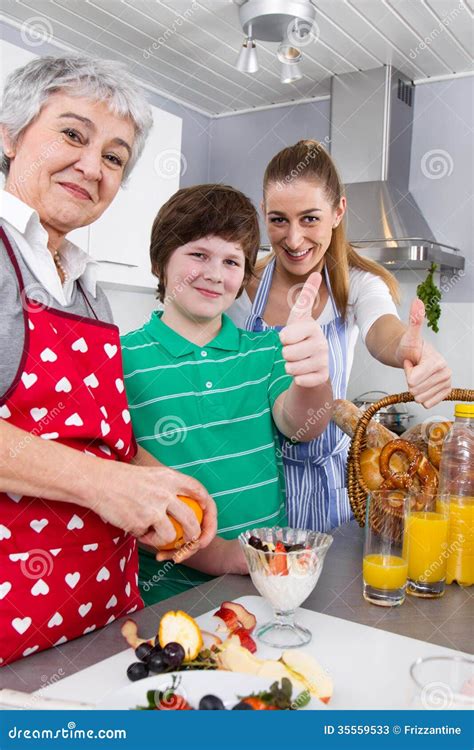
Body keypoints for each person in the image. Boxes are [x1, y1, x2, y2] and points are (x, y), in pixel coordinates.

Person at [0, 56, 216, 666]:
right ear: (11, 135)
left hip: (106, 621)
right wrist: (109, 486)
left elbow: (96, 440)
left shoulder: (89, 284)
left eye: (115, 157)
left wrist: (158, 482)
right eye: (73, 134)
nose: (92, 166)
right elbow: (98, 473)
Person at [121, 184, 333, 603]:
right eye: (198, 255)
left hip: (264, 583)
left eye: (232, 261)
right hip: (161, 594)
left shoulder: (266, 349)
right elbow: (124, 482)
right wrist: (219, 555)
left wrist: (313, 378)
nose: (215, 274)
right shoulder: (120, 358)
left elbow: (302, 425)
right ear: (161, 259)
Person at [229, 140, 452, 532]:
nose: (294, 239)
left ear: (338, 212)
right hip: (254, 491)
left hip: (330, 495)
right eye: (279, 219)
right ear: (263, 214)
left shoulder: (358, 286)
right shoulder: (241, 288)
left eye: (310, 219)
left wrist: (407, 347)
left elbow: (381, 329)